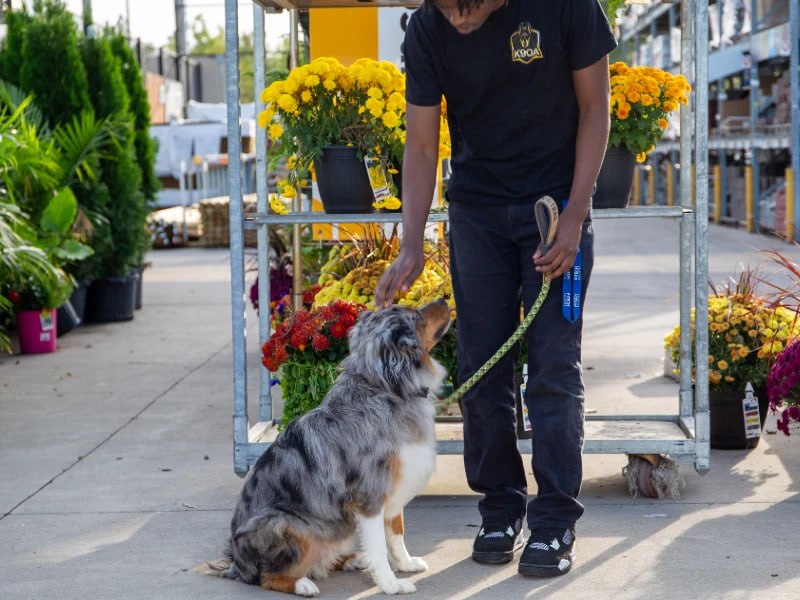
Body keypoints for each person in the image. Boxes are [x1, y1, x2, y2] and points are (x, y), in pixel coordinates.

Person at [374, 0, 617, 578]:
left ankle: (555, 519)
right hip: (477, 214)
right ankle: (500, 507)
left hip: (553, 209)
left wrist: (576, 216)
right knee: (485, 366)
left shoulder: (567, 7)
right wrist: (411, 241)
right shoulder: (430, 27)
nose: (459, 20)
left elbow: (595, 109)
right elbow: (423, 143)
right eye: (447, 6)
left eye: (470, 7)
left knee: (554, 370)